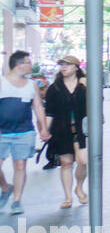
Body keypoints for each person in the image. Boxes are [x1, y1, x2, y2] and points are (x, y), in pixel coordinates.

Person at [0, 50, 51, 215]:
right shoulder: (1, 82)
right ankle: (6, 187)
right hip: (2, 131)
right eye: (29, 62)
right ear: (20, 65)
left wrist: (43, 128)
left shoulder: (32, 85)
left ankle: (16, 200)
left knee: (20, 165)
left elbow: (38, 107)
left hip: (24, 131)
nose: (31, 65)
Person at [44, 55, 89, 208]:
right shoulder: (54, 88)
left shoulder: (84, 86)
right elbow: (49, 111)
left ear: (76, 67)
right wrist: (45, 130)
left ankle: (79, 187)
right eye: (61, 64)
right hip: (61, 130)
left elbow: (97, 102)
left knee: (83, 161)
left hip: (81, 129)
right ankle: (68, 197)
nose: (64, 67)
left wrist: (88, 86)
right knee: (66, 163)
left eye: (68, 64)